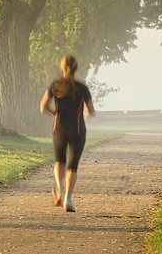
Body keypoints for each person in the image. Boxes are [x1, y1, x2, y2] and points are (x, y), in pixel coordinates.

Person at [40, 55, 95, 212]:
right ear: (76, 68)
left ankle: (59, 188)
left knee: (59, 161)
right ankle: (68, 199)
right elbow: (91, 111)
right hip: (77, 129)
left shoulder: (55, 86)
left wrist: (54, 114)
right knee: (73, 165)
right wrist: (82, 113)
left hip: (59, 128)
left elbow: (42, 106)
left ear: (62, 68)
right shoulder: (82, 88)